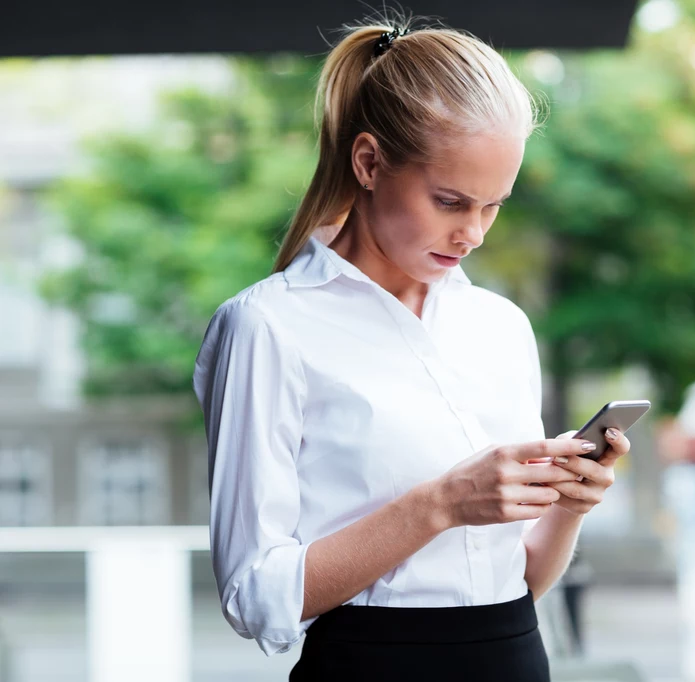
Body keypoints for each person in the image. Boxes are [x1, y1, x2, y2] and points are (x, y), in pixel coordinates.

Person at [191, 15, 632, 682]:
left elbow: (514, 585)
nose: (474, 234)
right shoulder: (268, 326)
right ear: (368, 162)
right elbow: (255, 597)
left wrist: (568, 503)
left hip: (514, 656)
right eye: (451, 201)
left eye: (494, 206)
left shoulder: (501, 326)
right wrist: (441, 503)